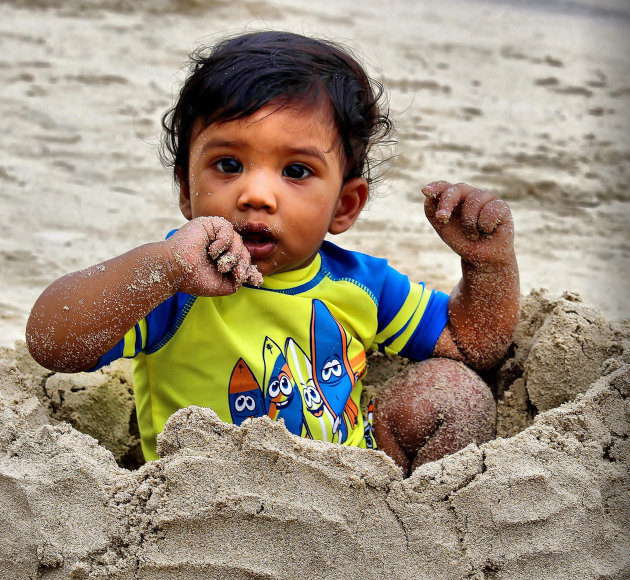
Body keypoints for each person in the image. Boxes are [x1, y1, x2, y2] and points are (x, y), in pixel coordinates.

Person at [25, 31, 519, 476]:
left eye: (297, 172)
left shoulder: (361, 283)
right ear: (185, 189)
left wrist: (488, 264)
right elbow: (52, 343)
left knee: (457, 391)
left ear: (344, 206)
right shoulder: (172, 283)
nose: (256, 194)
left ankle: (418, 537)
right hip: (203, 507)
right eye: (228, 164)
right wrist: (161, 267)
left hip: (353, 495)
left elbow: (470, 344)